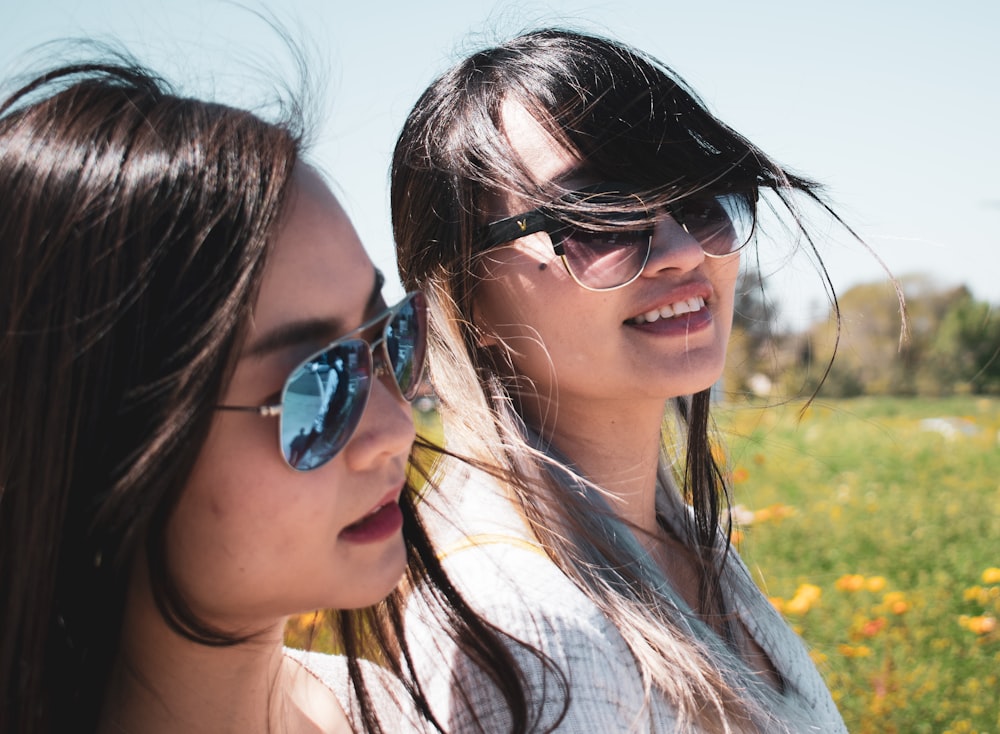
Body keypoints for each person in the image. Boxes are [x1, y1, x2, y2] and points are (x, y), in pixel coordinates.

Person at [0, 57, 543, 734]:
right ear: (108, 443)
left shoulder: (392, 708)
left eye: (391, 339)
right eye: (316, 385)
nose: (395, 428)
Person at [391, 28, 849, 733]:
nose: (684, 251)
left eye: (700, 198)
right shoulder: (517, 628)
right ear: (465, 299)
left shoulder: (679, 539)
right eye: (597, 218)